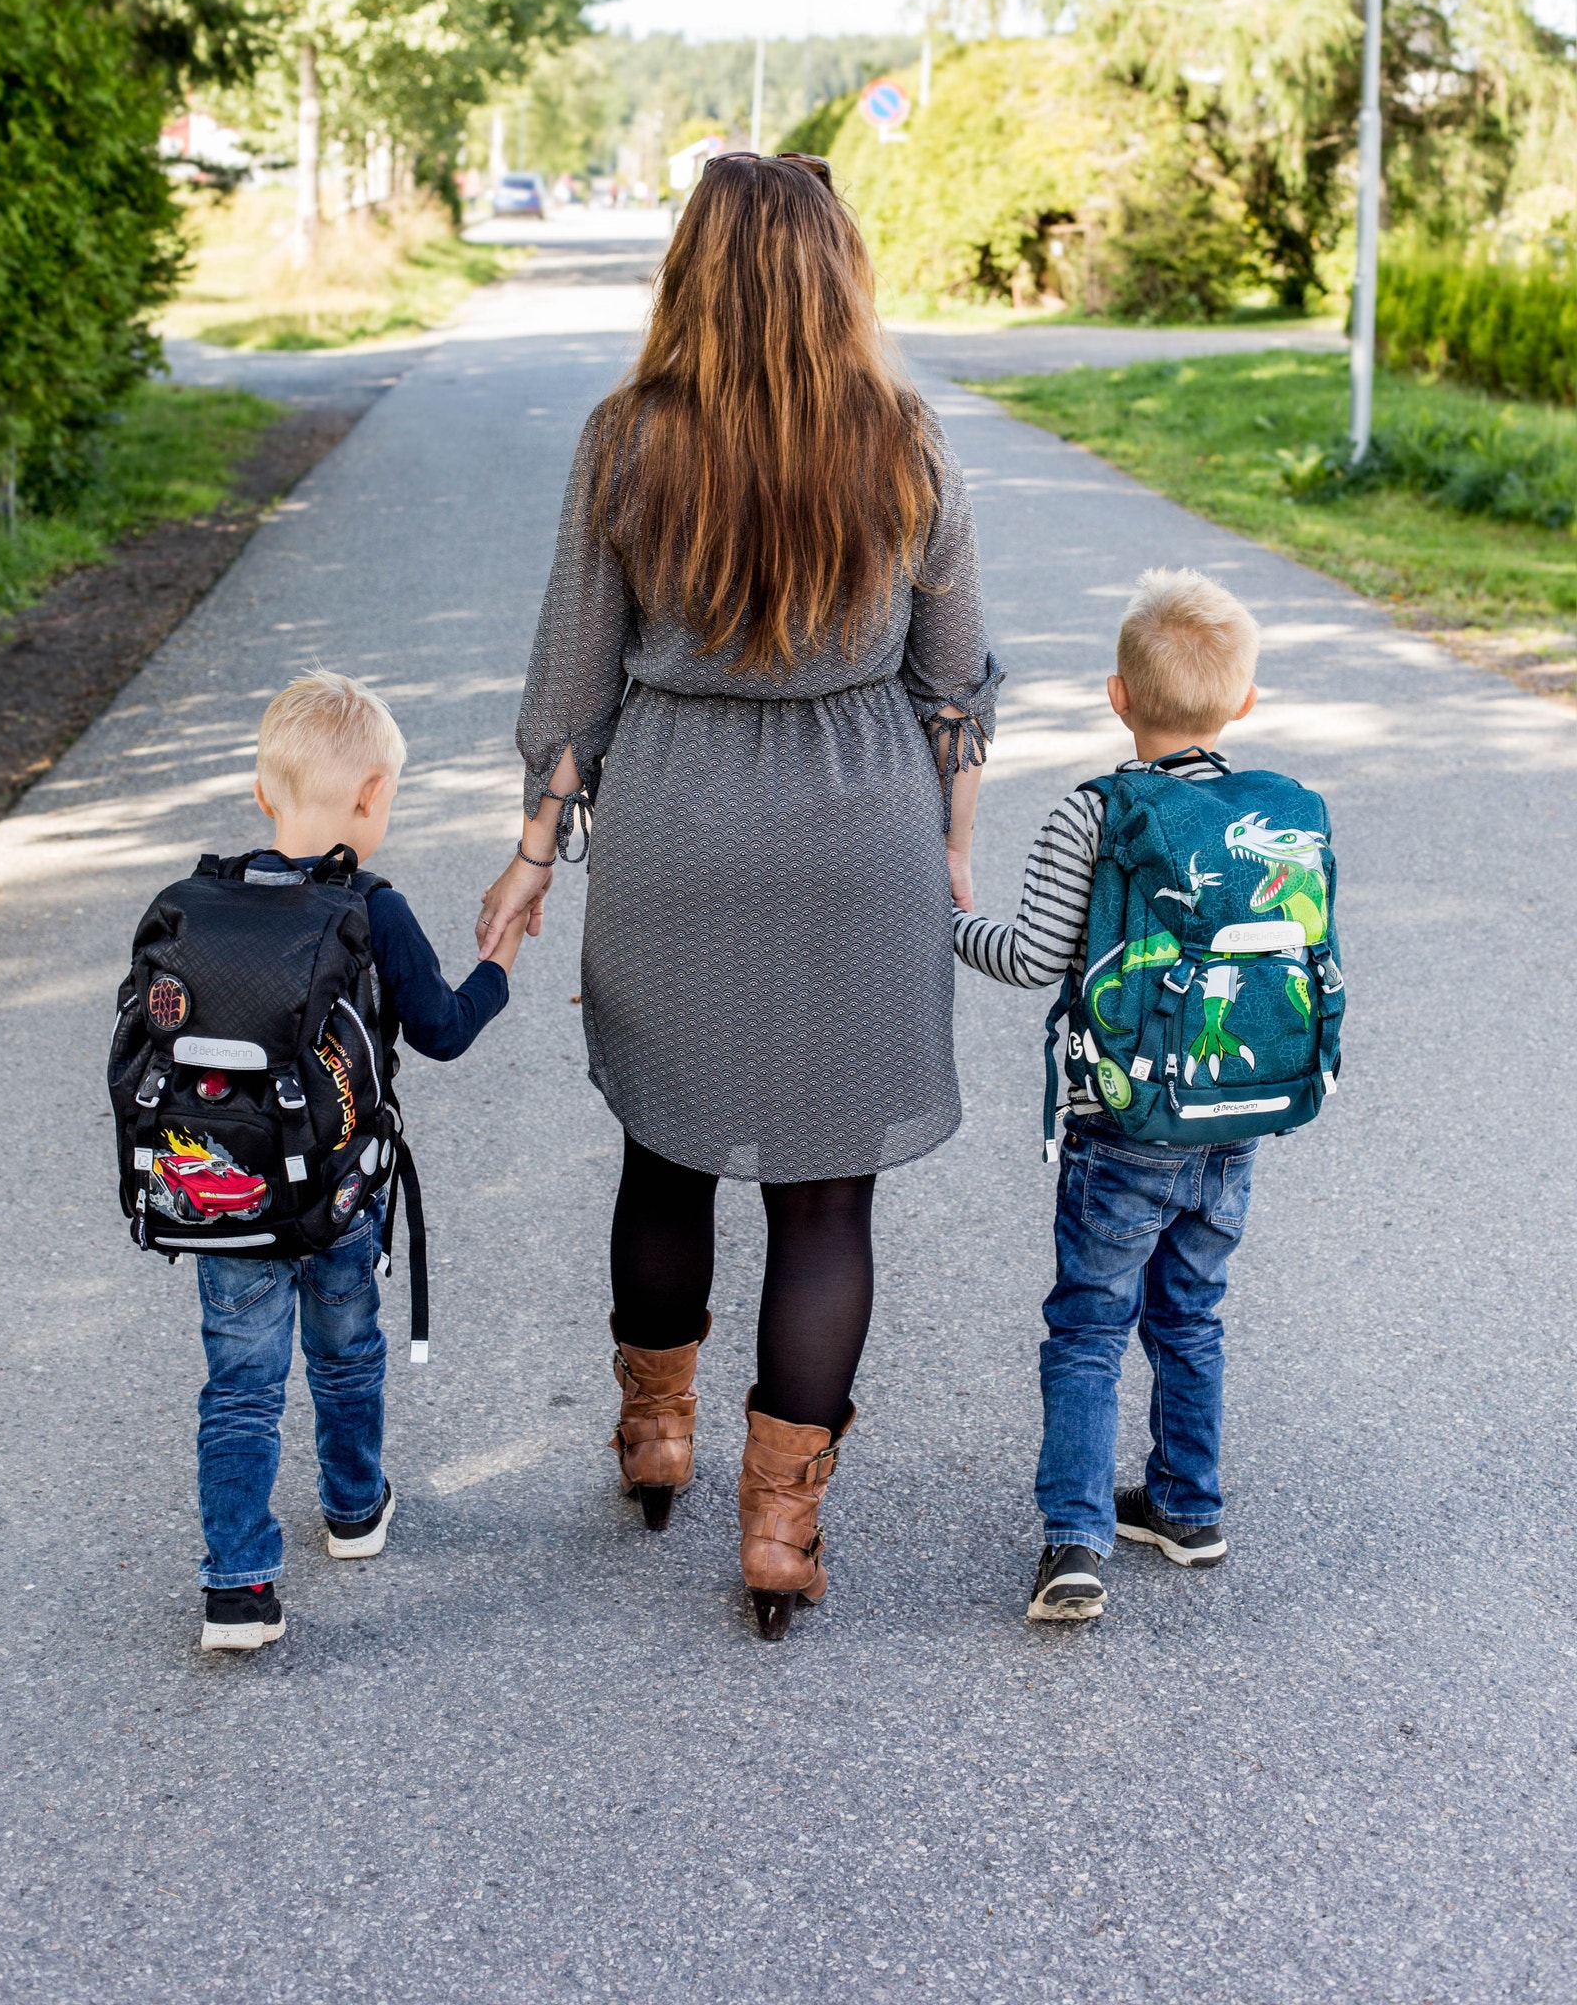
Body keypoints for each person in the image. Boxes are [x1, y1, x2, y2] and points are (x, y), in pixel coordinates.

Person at [475, 154, 1000, 1641]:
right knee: (827, 1197)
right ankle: (781, 1530)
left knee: (667, 1150)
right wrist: (948, 846)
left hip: (680, 833)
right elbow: (953, 683)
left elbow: (572, 689)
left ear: (692, 269)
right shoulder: (906, 440)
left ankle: (656, 1438)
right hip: (863, 836)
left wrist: (530, 858)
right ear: (842, 272)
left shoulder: (626, 442)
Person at [955, 568, 1276, 1625]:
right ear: (1242, 705)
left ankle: (1076, 1541)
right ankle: (1188, 1507)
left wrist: (947, 918)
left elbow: (1030, 955)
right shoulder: (1268, 820)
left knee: (1090, 1327)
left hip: (1120, 1124)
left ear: (1117, 697)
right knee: (1192, 1318)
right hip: (1231, 1121)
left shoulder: (1090, 815)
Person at [196, 672, 527, 1651]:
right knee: (345, 1353)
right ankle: (351, 1510)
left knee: (240, 1387)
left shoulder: (205, 906)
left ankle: (238, 1588)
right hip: (338, 1198)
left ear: (264, 795)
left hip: (225, 1195)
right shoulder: (373, 907)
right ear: (374, 798)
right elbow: (441, 1028)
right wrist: (499, 967)